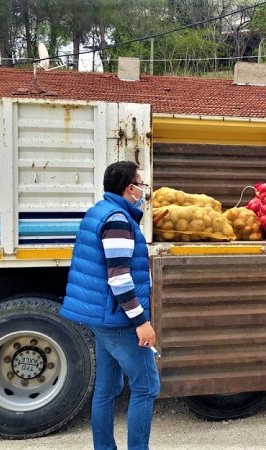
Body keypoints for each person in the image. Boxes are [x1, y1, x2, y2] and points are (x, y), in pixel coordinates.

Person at [60, 161, 162, 450]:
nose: (143, 190)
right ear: (129, 188)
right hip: (119, 320)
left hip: (101, 318)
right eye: (141, 184)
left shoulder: (98, 211)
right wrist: (141, 321)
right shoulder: (118, 220)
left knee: (106, 389)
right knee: (146, 387)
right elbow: (119, 278)